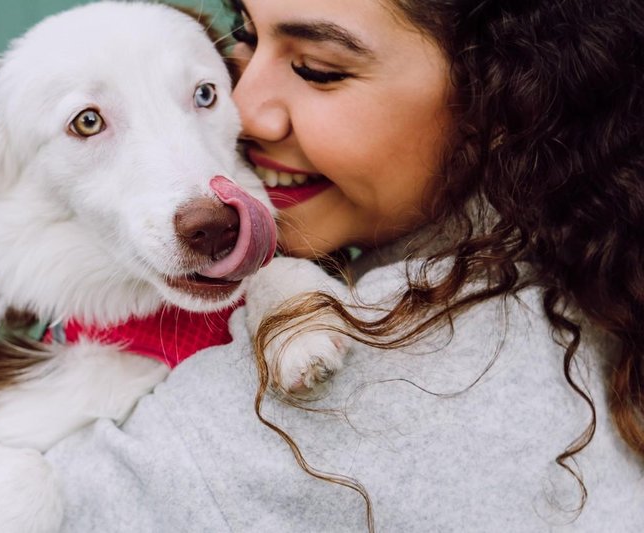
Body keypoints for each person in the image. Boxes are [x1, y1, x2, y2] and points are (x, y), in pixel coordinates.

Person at [46, 0, 644, 530]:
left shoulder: (347, 391)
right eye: (244, 33)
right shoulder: (595, 260)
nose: (241, 110)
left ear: (504, 99)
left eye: (317, 70)